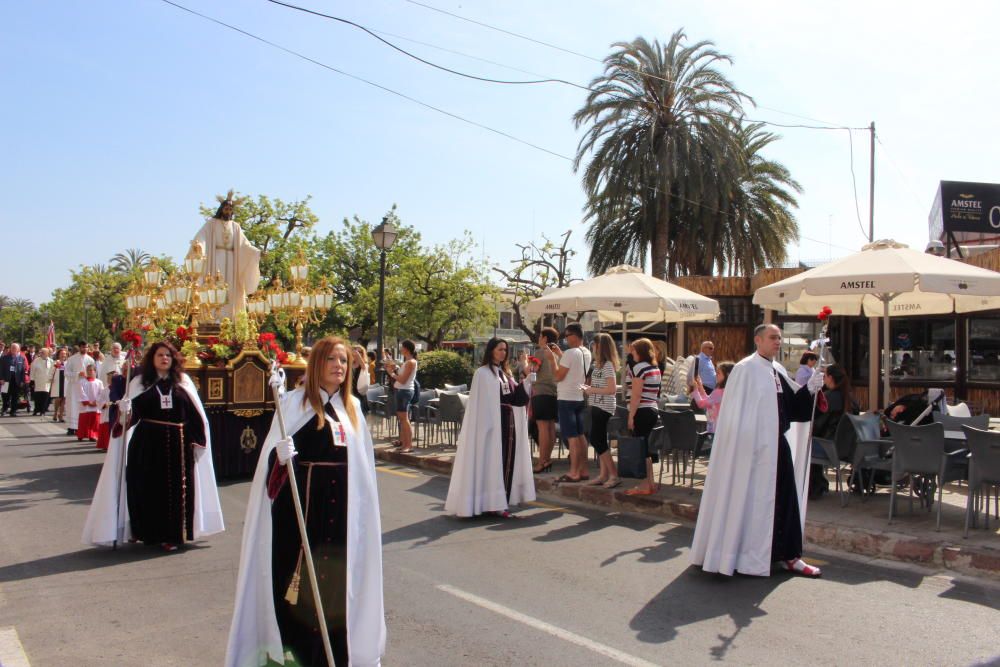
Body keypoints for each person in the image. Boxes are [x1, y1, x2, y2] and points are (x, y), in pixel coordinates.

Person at [225, 336, 385, 667]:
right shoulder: (294, 404)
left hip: (341, 513)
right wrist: (278, 457)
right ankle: (298, 653)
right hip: (302, 514)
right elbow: (270, 465)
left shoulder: (351, 408)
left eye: (344, 361)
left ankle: (335, 654)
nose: (340, 366)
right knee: (299, 586)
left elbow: (363, 471)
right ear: (317, 366)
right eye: (332, 360)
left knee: (336, 584)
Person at [690, 324, 826, 578]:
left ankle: (789, 555)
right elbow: (735, 415)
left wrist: (809, 389)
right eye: (773, 338)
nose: (778, 342)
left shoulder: (777, 370)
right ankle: (740, 554)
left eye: (779, 338)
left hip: (776, 447)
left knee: (785, 502)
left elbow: (792, 408)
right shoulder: (744, 370)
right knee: (749, 502)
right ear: (758, 340)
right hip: (750, 452)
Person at [82, 341, 224, 551]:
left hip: (178, 445)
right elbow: (130, 418)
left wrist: (197, 440)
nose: (164, 358)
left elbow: (196, 415)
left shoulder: (183, 382)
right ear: (152, 359)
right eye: (160, 355)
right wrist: (125, 411)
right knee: (145, 488)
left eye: (168, 355)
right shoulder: (140, 382)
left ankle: (172, 536)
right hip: (146, 444)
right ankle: (143, 531)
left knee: (175, 492)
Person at [444, 337, 535, 518]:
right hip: (491, 426)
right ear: (491, 350)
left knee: (504, 463)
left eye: (505, 350)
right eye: (500, 349)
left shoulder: (505, 374)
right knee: (491, 462)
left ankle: (499, 502)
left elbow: (516, 398)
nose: (503, 353)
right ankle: (488, 502)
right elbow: (481, 404)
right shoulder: (482, 373)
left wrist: (527, 381)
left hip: (507, 425)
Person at [193, 192, 262, 320]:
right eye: (226, 208)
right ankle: (212, 318)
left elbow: (245, 245)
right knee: (214, 286)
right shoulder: (211, 223)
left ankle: (231, 319)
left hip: (232, 262)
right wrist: (199, 247)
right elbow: (201, 237)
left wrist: (257, 252)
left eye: (230, 209)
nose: (228, 211)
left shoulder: (236, 227)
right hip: (215, 259)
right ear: (221, 209)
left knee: (232, 290)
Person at [545, 322, 592, 483]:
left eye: (567, 335)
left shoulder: (571, 353)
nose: (565, 339)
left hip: (566, 398)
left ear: (574, 335)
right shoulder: (585, 352)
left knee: (572, 437)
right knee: (580, 436)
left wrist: (552, 359)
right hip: (578, 397)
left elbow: (558, 376)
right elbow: (574, 367)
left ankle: (573, 472)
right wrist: (560, 354)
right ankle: (583, 470)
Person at [623, 338, 662, 495]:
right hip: (652, 409)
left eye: (633, 350)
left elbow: (636, 395)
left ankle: (646, 484)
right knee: (646, 448)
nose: (631, 353)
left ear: (639, 352)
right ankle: (650, 483)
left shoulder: (639, 368)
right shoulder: (655, 368)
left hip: (642, 410)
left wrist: (631, 416)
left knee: (642, 449)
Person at [582, 332, 620, 488]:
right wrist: (589, 389)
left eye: (595, 344)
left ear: (600, 347)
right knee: (599, 440)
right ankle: (604, 475)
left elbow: (611, 389)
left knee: (597, 439)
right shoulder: (598, 365)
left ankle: (613, 474)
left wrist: (593, 390)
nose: (593, 347)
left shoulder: (608, 365)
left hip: (604, 406)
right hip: (597, 405)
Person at [530, 327, 560, 473]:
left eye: (540, 336)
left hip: (541, 392)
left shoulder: (540, 352)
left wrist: (525, 364)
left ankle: (542, 461)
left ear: (545, 339)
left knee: (542, 428)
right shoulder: (558, 354)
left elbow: (532, 371)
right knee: (550, 428)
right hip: (554, 393)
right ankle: (547, 459)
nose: (538, 339)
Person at [386, 340, 418, 453]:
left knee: (404, 419)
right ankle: (405, 443)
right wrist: (394, 369)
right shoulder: (407, 362)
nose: (400, 349)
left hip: (405, 391)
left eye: (402, 347)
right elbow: (401, 375)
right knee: (402, 419)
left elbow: (403, 380)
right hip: (401, 391)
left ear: (406, 349)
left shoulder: (411, 362)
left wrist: (392, 373)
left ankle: (408, 445)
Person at [690, 360, 735, 434]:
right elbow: (709, 401)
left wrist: (695, 390)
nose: (715, 375)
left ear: (727, 375)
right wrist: (700, 387)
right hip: (725, 427)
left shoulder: (719, 392)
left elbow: (701, 404)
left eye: (718, 373)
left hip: (715, 429)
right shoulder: (728, 390)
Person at [63, 341, 94, 435]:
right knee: (72, 406)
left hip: (85, 386)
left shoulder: (90, 360)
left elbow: (93, 373)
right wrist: (77, 374)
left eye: (86, 347)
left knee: (83, 406)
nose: (85, 349)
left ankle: (81, 427)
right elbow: (66, 373)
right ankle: (71, 427)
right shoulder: (72, 359)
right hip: (74, 386)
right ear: (79, 347)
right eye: (83, 347)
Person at [76, 364, 103, 442]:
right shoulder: (81, 381)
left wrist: (96, 401)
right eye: (88, 370)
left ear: (95, 371)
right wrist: (87, 402)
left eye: (91, 370)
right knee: (84, 420)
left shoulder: (99, 382)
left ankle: (93, 435)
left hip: (95, 405)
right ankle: (81, 434)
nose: (90, 372)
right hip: (85, 406)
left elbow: (101, 393)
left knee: (94, 421)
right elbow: (81, 392)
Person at [1, 343, 28, 417]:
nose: (13, 349)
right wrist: (1, 378)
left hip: (17, 381)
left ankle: (13, 411)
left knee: (15, 397)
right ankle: (4, 409)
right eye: (12, 347)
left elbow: (23, 371)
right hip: (6, 380)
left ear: (18, 349)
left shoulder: (21, 358)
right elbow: (1, 369)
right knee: (5, 396)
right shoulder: (4, 358)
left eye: (15, 348)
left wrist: (22, 380)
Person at [30, 347, 55, 416]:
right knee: (37, 397)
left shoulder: (51, 361)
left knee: (45, 397)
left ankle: (43, 411)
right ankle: (36, 409)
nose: (42, 354)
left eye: (43, 353)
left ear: (47, 353)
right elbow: (32, 371)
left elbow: (53, 371)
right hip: (38, 381)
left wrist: (52, 379)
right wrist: (32, 380)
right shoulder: (36, 361)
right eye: (41, 352)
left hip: (47, 382)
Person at [50, 347, 68, 422]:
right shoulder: (55, 362)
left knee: (64, 398)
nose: (63, 355)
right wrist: (50, 379)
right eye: (61, 354)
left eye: (64, 354)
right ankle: (55, 412)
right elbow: (51, 371)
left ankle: (61, 415)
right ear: (59, 354)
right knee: (58, 398)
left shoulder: (68, 363)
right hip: (57, 381)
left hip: (65, 382)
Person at [351, 344, 371, 414]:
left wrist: (357, 355)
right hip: (351, 392)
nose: (357, 353)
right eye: (356, 351)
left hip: (360, 392)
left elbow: (364, 366)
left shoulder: (364, 364)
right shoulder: (349, 364)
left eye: (360, 352)